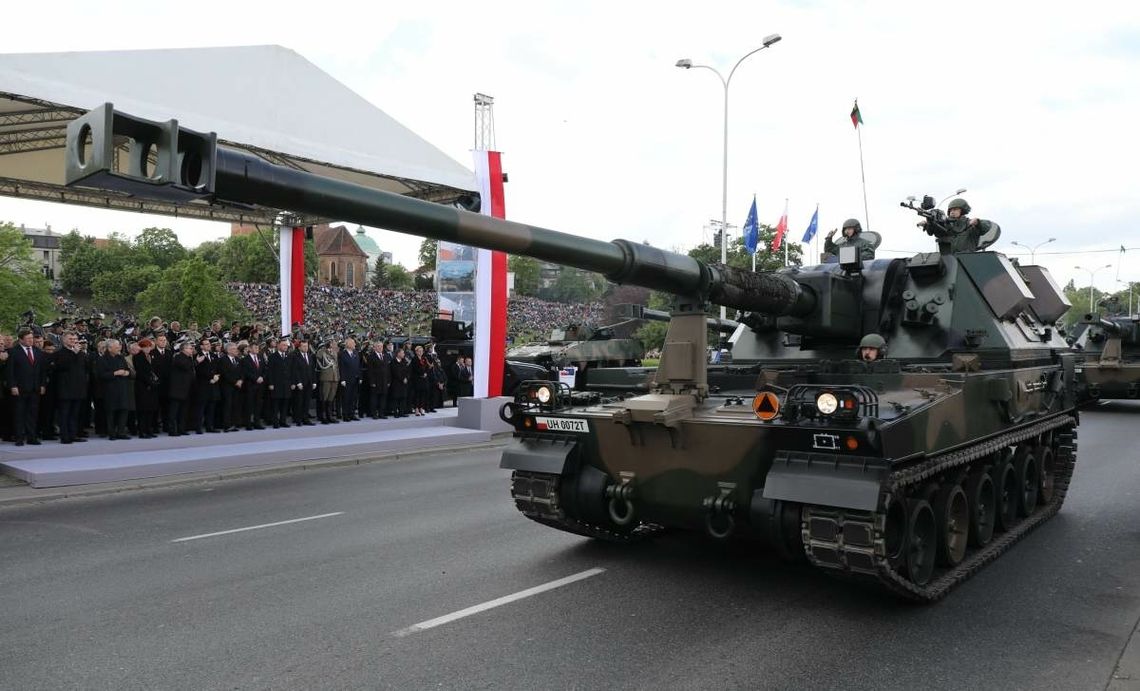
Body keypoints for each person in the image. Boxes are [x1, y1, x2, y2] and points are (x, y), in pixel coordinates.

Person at [6, 328, 45, 446]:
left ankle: (31, 437)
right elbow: (10, 371)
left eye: (31, 338)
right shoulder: (14, 352)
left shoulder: (38, 352)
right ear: (21, 340)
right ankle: (19, 437)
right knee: (19, 413)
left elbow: (42, 371)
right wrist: (12, 385)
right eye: (28, 339)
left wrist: (43, 384)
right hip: (20, 388)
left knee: (32, 414)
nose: (30, 341)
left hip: (35, 388)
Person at [924, 198, 1000, 254]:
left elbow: (986, 226)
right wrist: (929, 223)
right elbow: (935, 232)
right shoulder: (946, 226)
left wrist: (978, 222)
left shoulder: (970, 225)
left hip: (967, 260)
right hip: (948, 262)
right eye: (951, 210)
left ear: (962, 211)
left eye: (955, 209)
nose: (952, 212)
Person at [53, 331, 89, 444]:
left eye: (75, 339)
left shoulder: (81, 353)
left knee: (75, 414)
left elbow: (86, 368)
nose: (73, 341)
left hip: (78, 389)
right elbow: (61, 367)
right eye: (70, 339)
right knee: (65, 414)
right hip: (65, 389)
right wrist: (73, 353)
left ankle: (73, 435)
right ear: (64, 340)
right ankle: (65, 436)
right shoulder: (59, 353)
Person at [97, 339, 132, 440]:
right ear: (109, 348)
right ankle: (111, 433)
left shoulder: (121, 357)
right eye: (116, 347)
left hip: (122, 388)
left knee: (124, 410)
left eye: (119, 347)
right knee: (111, 412)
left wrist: (126, 373)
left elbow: (127, 369)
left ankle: (121, 432)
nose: (119, 348)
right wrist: (115, 373)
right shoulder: (102, 359)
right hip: (110, 389)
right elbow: (100, 375)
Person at [167, 339, 196, 436]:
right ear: (183, 349)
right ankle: (172, 430)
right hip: (177, 389)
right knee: (174, 411)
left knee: (184, 411)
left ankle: (181, 428)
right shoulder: (178, 356)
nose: (192, 350)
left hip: (187, 389)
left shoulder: (189, 358)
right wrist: (196, 361)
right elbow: (185, 366)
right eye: (190, 348)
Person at [133, 338, 159, 438]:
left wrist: (155, 381)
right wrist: (150, 382)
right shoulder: (137, 357)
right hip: (142, 386)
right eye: (146, 347)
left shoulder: (151, 356)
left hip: (152, 386)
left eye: (149, 347)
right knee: (143, 410)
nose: (148, 349)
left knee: (150, 409)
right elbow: (140, 372)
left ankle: (149, 429)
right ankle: (142, 431)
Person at [290, 339, 318, 426]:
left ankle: (305, 419)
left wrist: (314, 381)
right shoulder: (295, 356)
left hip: (309, 383)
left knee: (307, 402)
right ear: (299, 347)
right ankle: (298, 420)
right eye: (304, 346)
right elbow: (294, 371)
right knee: (299, 402)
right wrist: (298, 382)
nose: (306, 348)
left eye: (307, 346)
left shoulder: (310, 356)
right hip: (300, 383)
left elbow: (312, 370)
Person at [315, 341, 340, 424]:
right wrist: (324, 347)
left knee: (331, 398)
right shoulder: (323, 351)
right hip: (326, 377)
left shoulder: (335, 352)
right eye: (334, 344)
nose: (335, 346)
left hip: (335, 377)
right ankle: (323, 416)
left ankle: (330, 415)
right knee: (324, 397)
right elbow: (318, 356)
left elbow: (336, 365)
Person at [365, 340, 390, 419]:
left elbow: (388, 369)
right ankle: (374, 413)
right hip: (375, 381)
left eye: (381, 346)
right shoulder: (371, 356)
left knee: (383, 398)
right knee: (374, 398)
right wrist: (372, 382)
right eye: (378, 346)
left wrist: (388, 380)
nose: (380, 348)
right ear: (374, 347)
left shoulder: (385, 356)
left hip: (384, 381)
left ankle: (381, 413)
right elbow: (370, 370)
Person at [338, 337, 362, 421]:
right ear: (348, 344)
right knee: (346, 398)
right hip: (347, 379)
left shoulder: (356, 353)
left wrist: (360, 376)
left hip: (355, 379)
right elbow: (341, 367)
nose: (355, 344)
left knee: (353, 398)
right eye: (353, 343)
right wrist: (342, 379)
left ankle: (352, 414)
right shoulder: (342, 354)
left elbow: (358, 366)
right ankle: (345, 415)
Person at [389, 346, 411, 417]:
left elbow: (407, 371)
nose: (403, 354)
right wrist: (402, 378)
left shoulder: (404, 361)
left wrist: (406, 378)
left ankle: (402, 412)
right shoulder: (393, 362)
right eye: (402, 353)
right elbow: (395, 372)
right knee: (396, 398)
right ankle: (395, 412)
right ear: (398, 354)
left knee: (403, 398)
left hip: (404, 383)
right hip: (396, 383)